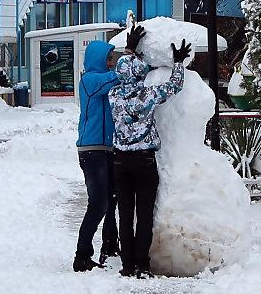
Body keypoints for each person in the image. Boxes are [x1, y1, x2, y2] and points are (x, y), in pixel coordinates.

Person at [110, 27, 190, 278]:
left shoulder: (114, 95)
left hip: (120, 161)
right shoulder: (149, 94)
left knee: (125, 214)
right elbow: (175, 85)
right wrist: (178, 62)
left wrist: (129, 50)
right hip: (144, 161)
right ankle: (142, 265)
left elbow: (126, 70)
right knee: (144, 215)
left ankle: (127, 264)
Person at [72, 34, 138, 272]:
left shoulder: (100, 80)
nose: (111, 62)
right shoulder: (90, 80)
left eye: (113, 58)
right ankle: (82, 255)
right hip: (92, 151)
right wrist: (129, 56)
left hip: (107, 149)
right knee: (98, 203)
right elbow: (115, 77)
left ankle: (109, 245)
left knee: (111, 200)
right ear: (98, 59)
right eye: (109, 58)